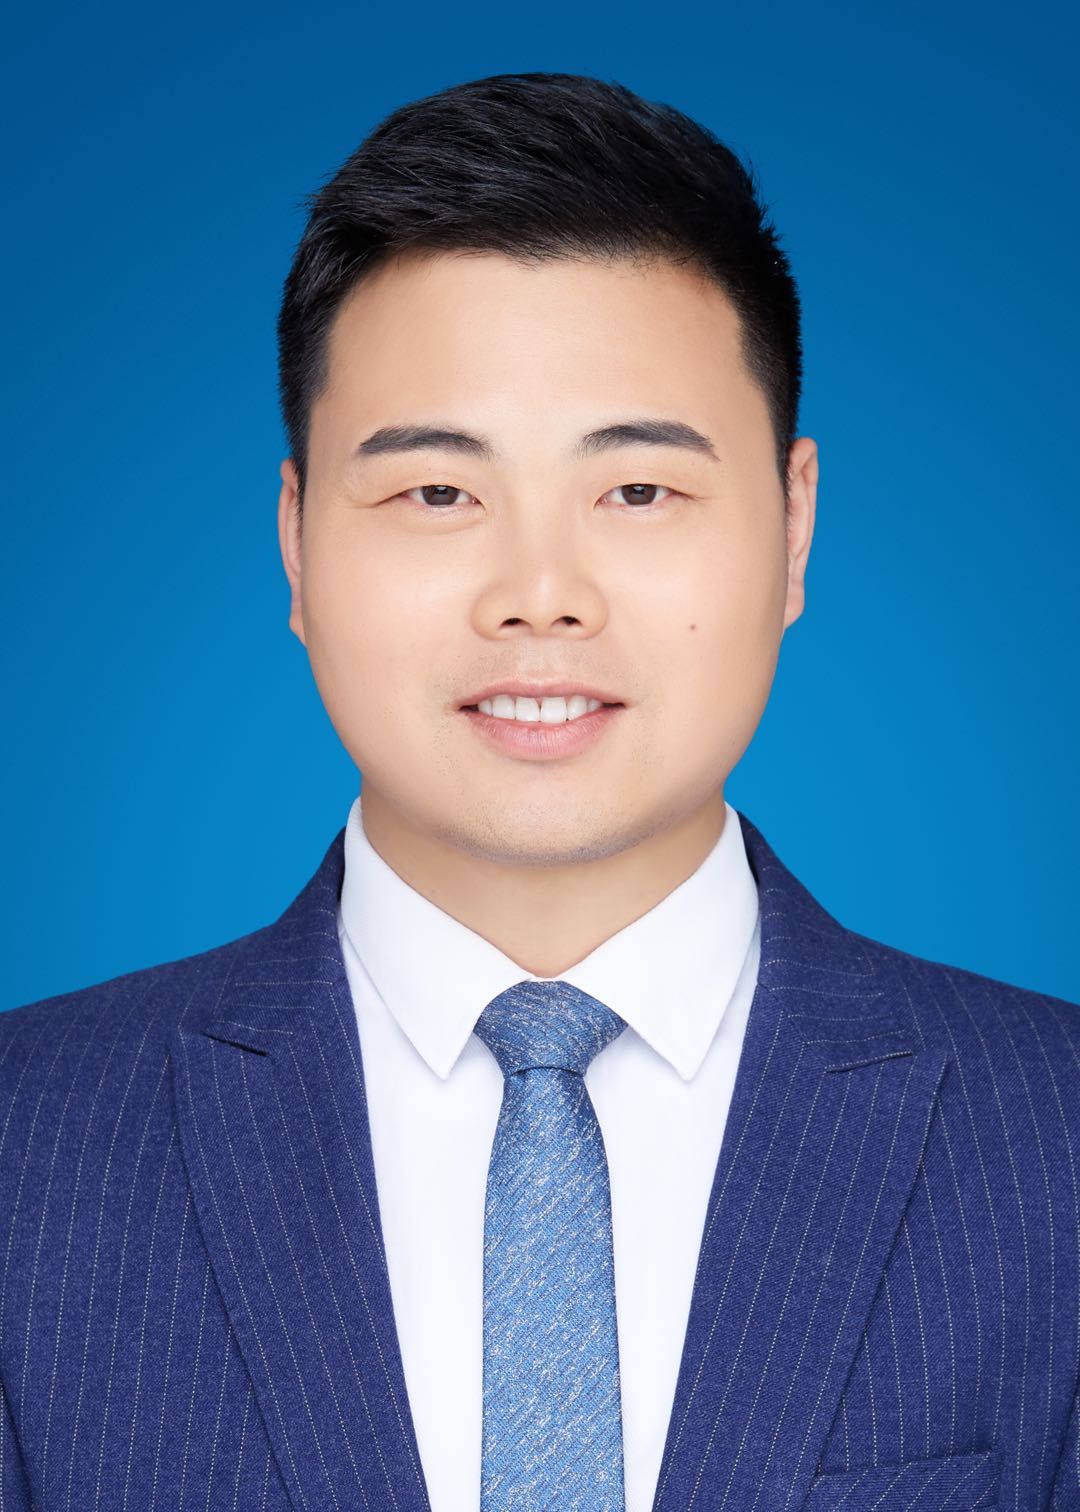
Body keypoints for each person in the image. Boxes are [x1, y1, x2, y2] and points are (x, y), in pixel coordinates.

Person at [1, 71, 1077, 1512]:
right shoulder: (29, 1146)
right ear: (298, 542)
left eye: (637, 491)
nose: (540, 594)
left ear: (793, 524)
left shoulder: (1054, 1140)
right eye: (438, 494)